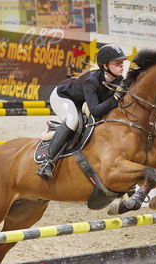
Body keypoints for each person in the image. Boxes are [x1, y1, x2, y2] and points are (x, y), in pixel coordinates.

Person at [37, 44, 127, 180]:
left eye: (122, 62)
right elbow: (96, 111)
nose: (121, 66)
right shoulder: (92, 81)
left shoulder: (119, 80)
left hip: (82, 99)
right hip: (63, 96)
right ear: (105, 66)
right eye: (117, 63)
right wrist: (115, 98)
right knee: (72, 121)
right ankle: (47, 162)